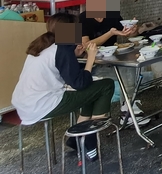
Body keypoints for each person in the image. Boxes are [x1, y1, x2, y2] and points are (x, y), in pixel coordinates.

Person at [12, 13, 115, 161]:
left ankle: (78, 137)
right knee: (106, 85)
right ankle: (90, 138)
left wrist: (74, 54)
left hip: (24, 103)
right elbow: (79, 83)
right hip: (42, 103)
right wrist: (90, 58)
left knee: (92, 90)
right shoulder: (63, 49)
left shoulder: (42, 44)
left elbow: (63, 68)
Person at [79, 0, 147, 126]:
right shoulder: (82, 18)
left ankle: (128, 107)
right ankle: (127, 111)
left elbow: (125, 33)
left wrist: (133, 29)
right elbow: (85, 46)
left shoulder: (112, 14)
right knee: (127, 69)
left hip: (111, 59)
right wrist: (110, 33)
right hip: (92, 65)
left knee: (130, 65)